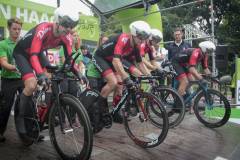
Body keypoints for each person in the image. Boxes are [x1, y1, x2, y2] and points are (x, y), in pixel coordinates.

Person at [12, 7, 80, 140]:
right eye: (66, 25)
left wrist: (77, 72)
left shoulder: (66, 37)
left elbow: (69, 58)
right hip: (23, 53)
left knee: (52, 78)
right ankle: (20, 116)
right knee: (31, 84)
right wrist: (40, 74)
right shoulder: (43, 29)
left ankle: (43, 110)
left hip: (38, 53)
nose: (68, 29)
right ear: (57, 21)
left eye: (71, 26)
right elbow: (33, 55)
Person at [92, 20, 151, 125]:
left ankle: (115, 113)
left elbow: (140, 64)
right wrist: (126, 77)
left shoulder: (136, 45)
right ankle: (97, 109)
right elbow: (116, 61)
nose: (142, 40)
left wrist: (150, 76)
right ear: (133, 33)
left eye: (144, 38)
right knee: (113, 82)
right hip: (101, 57)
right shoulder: (123, 39)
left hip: (111, 60)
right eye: (140, 37)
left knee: (120, 85)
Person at [171, 41, 215, 111]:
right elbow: (191, 69)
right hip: (176, 62)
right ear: (204, 49)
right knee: (185, 81)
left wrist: (212, 77)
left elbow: (205, 68)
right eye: (209, 50)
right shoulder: (196, 52)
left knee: (192, 80)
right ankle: (177, 104)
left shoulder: (204, 55)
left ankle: (182, 92)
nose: (210, 53)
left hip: (184, 64)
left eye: (211, 51)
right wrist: (201, 78)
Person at [0, 17, 23, 142]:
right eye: (14, 28)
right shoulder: (2, 44)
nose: (17, 31)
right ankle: (0, 132)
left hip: (22, 79)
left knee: (27, 105)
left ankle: (28, 132)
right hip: (8, 80)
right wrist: (16, 68)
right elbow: (3, 63)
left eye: (19, 29)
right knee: (5, 107)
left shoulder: (22, 44)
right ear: (9, 28)